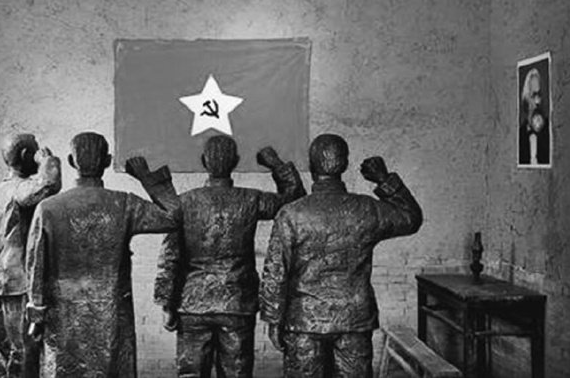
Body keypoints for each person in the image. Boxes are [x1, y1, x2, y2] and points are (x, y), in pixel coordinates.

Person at [260, 134, 422, 378]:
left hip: (304, 321)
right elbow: (411, 217)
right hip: (353, 319)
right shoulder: (366, 209)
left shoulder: (291, 214)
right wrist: (384, 179)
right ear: (345, 165)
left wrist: (273, 319)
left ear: (311, 166)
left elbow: (275, 271)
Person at [25, 132, 182, 377]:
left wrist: (36, 312)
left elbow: (36, 265)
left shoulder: (48, 208)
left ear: (71, 161)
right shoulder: (124, 204)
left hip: (63, 314)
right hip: (111, 315)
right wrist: (149, 179)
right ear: (107, 162)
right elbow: (173, 216)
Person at [153, 135, 306, 378]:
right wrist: (276, 164)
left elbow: (170, 257)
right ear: (235, 162)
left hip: (193, 304)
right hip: (237, 304)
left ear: (204, 161)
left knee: (191, 373)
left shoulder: (184, 203)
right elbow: (295, 201)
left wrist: (166, 303)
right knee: (236, 373)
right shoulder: (251, 199)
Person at [0, 133, 61, 377]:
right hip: (17, 282)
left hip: (2, 279)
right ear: (25, 155)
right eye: (35, 151)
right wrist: (48, 161)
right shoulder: (18, 189)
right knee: (23, 350)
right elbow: (49, 185)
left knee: (9, 351)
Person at [519, 67, 549, 165]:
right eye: (533, 95)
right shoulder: (521, 135)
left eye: (539, 94)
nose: (537, 101)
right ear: (526, 98)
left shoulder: (549, 129)